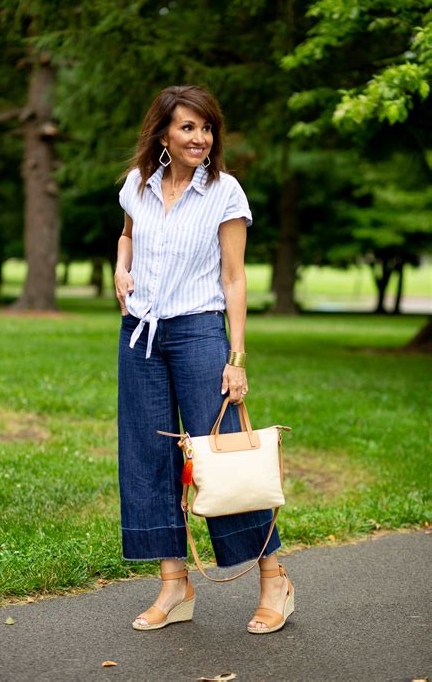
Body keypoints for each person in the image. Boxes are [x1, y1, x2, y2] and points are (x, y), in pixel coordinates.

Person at [114, 85, 294, 633]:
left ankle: (274, 581)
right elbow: (127, 236)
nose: (200, 138)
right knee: (149, 456)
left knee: (224, 456)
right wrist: (121, 270)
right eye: (188, 127)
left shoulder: (224, 191)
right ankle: (175, 586)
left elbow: (234, 277)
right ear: (163, 133)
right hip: (139, 334)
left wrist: (235, 355)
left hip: (198, 332)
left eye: (207, 128)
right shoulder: (138, 184)